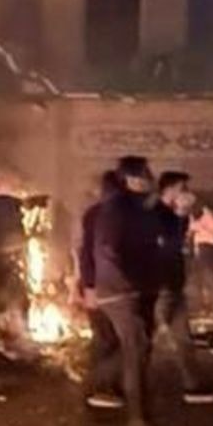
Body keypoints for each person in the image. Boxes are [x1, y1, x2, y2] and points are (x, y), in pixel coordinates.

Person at [93, 155, 164, 426]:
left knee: (136, 350)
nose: (150, 178)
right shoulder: (118, 210)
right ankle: (137, 420)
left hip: (128, 290)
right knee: (136, 351)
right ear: (131, 180)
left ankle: (103, 386)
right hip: (121, 292)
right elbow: (110, 250)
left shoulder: (131, 207)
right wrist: (132, 282)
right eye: (145, 173)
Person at [154, 171, 213, 405]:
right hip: (159, 286)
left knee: (183, 339)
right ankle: (105, 383)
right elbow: (168, 245)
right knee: (140, 342)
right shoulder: (155, 214)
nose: (187, 193)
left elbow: (179, 242)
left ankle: (192, 385)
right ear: (169, 190)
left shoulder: (172, 215)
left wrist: (182, 215)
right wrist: (181, 214)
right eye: (183, 188)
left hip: (173, 285)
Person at [77, 170, 124, 409]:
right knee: (109, 339)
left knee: (111, 338)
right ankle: (98, 387)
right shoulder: (98, 215)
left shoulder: (100, 213)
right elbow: (87, 252)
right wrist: (90, 287)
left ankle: (107, 387)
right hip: (103, 287)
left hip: (108, 286)